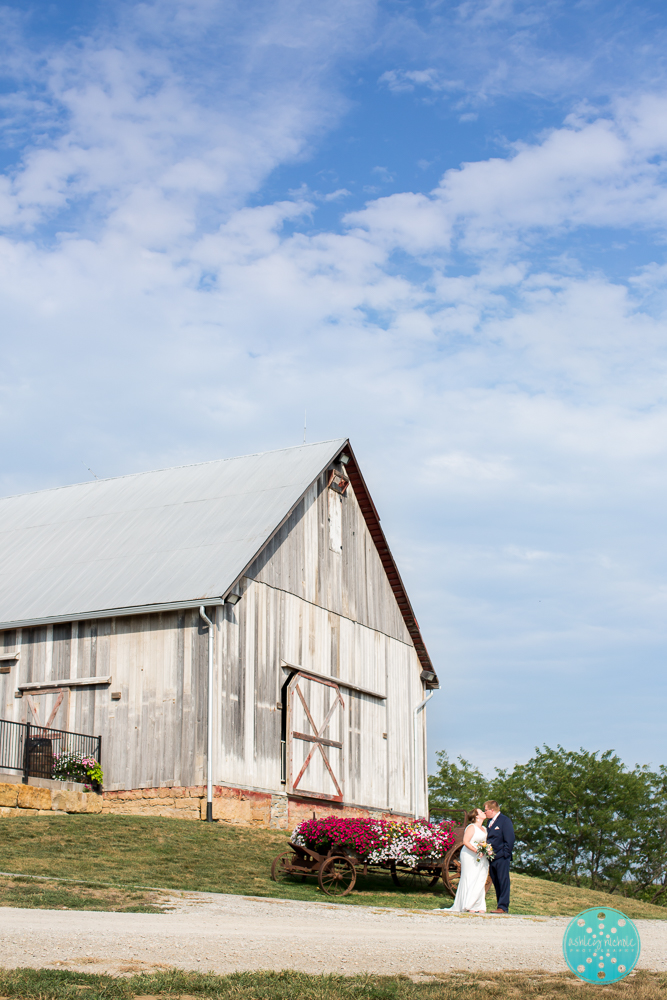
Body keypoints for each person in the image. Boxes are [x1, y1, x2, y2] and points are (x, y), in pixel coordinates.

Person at [445, 808, 489, 913]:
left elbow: (484, 842)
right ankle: (468, 904)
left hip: (481, 856)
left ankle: (478, 905)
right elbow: (465, 841)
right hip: (469, 855)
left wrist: (486, 849)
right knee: (470, 878)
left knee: (480, 878)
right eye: (481, 812)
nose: (484, 812)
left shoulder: (484, 828)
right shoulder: (471, 827)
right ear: (476, 816)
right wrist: (476, 850)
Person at [484, 799, 515, 913]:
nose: (485, 812)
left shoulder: (504, 821)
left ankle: (503, 907)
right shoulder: (489, 822)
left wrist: (505, 854)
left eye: (486, 810)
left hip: (502, 857)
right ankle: (499, 905)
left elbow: (510, 839)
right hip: (492, 858)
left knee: (503, 881)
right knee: (496, 882)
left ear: (492, 810)